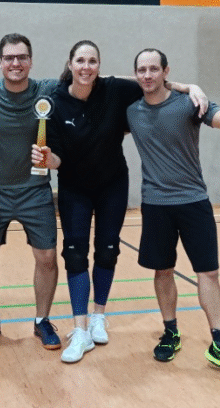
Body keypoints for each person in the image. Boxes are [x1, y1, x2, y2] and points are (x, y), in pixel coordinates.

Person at [31, 40, 207, 364]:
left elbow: (152, 83)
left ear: (100, 65)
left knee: (108, 249)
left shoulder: (115, 90)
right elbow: (55, 157)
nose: (86, 67)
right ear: (70, 64)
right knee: (74, 252)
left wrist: (189, 86)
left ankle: (99, 315)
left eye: (92, 61)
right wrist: (47, 160)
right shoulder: (55, 102)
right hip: (74, 188)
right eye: (80, 61)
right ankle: (80, 328)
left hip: (112, 184)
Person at [125, 48, 220, 384]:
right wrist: (186, 83)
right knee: (163, 270)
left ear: (165, 71)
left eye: (154, 69)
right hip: (155, 204)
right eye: (141, 70)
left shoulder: (189, 103)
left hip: (193, 201)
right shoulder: (130, 109)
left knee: (209, 273)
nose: (147, 75)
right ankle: (170, 332)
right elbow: (104, 79)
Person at [0, 33, 63, 351]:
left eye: (22, 57)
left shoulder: (47, 90)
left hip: (35, 191)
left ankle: (42, 321)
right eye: (9, 58)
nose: (16, 63)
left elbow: (92, 78)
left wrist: (181, 86)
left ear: (31, 61)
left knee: (47, 257)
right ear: (0, 63)